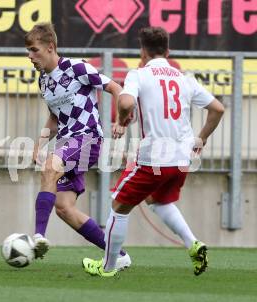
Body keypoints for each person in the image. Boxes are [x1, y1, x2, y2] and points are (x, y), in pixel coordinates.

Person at [82, 26, 225, 277]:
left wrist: (120, 122)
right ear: (168, 51)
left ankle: (108, 267)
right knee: (158, 200)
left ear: (142, 51)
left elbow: (125, 102)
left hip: (154, 158)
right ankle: (193, 244)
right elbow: (218, 109)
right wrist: (200, 138)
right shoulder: (184, 78)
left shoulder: (139, 74)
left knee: (118, 206)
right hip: (182, 158)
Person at [25, 23, 131, 269]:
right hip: (68, 143)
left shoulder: (76, 67)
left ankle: (38, 236)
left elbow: (115, 88)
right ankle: (118, 255)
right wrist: (38, 144)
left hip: (88, 137)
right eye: (28, 52)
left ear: (50, 47)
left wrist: (121, 121)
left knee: (50, 167)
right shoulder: (43, 81)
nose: (30, 57)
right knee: (64, 208)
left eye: (34, 50)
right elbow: (55, 117)